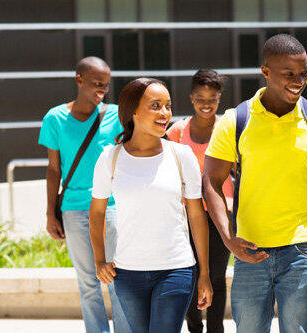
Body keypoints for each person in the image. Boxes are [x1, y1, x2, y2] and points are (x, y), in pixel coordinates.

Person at [203, 34, 307, 332]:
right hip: (250, 251)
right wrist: (229, 239)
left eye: (303, 73)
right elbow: (211, 182)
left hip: (302, 250)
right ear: (265, 72)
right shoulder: (235, 120)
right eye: (289, 74)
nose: (298, 81)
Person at [89, 78, 213, 333]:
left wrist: (204, 273)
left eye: (167, 106)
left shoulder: (181, 156)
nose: (165, 113)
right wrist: (100, 260)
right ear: (133, 111)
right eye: (155, 106)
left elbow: (196, 215)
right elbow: (97, 211)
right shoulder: (109, 158)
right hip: (128, 273)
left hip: (176, 269)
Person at [38, 56, 129, 333]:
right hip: (74, 209)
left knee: (116, 278)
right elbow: (54, 169)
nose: (102, 89)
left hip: (111, 207)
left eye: (105, 85)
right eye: (96, 83)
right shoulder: (55, 118)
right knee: (88, 282)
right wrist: (50, 212)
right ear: (79, 80)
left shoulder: (115, 116)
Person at [166, 69, 234, 333]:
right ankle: (194, 327)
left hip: (220, 215)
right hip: (186, 216)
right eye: (200, 98)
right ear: (191, 98)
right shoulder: (177, 132)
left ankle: (216, 328)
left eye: (212, 99)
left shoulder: (227, 129)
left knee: (216, 276)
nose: (206, 104)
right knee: (191, 275)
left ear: (219, 99)